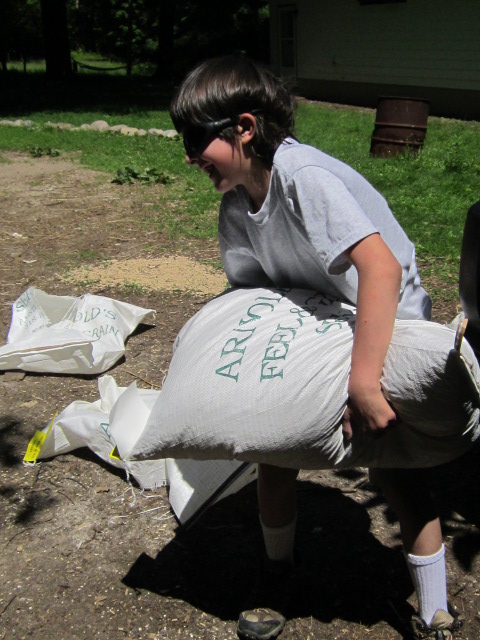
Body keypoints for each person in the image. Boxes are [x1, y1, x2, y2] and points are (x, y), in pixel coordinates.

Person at [169, 55, 463, 640]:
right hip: (321, 320)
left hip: (387, 323)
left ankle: (435, 611)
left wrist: (364, 382)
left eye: (195, 139)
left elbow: (380, 270)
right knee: (272, 451)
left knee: (395, 467)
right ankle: (277, 573)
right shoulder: (236, 206)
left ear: (244, 128)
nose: (187, 156)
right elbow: (252, 295)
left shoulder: (303, 177)